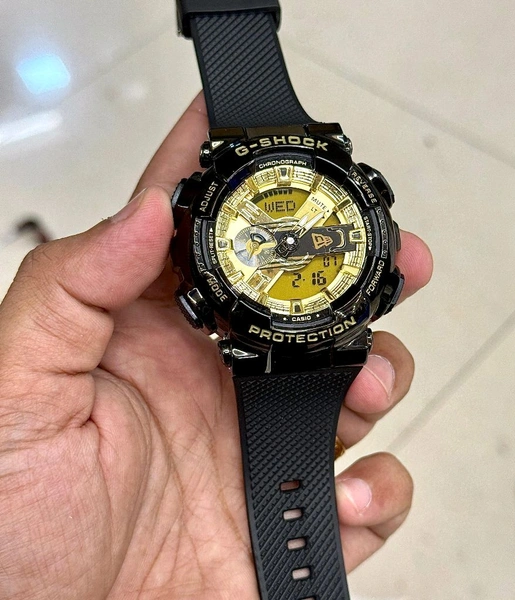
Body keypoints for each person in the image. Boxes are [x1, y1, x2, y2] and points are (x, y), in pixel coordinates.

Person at [0, 93, 433, 599]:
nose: (288, 246)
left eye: (297, 240)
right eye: (274, 243)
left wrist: (304, 448)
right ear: (198, 299)